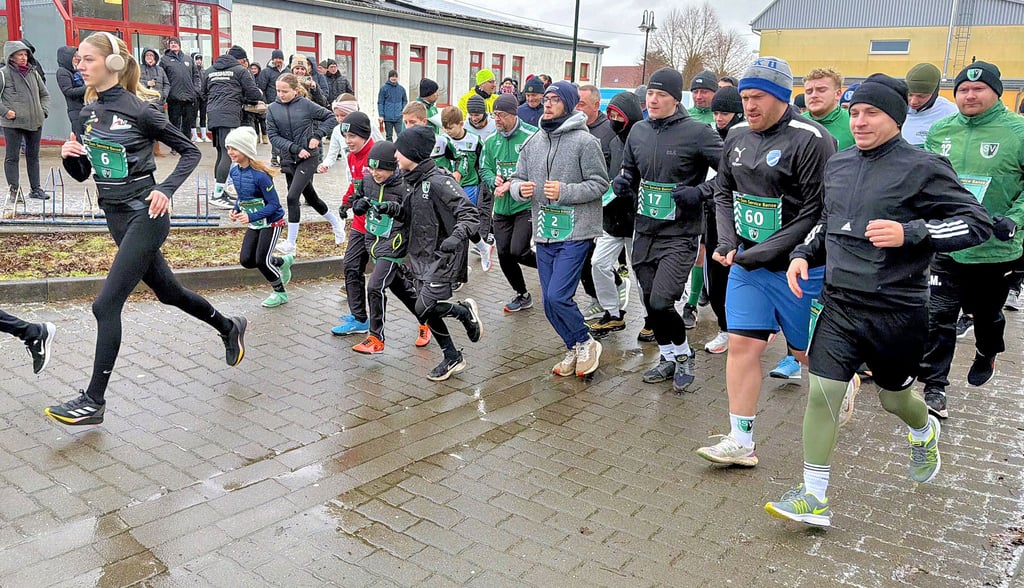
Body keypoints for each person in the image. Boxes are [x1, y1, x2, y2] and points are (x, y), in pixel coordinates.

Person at [765, 74, 992, 527]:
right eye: (855, 112)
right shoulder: (839, 164)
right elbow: (827, 221)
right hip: (839, 304)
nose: (860, 121)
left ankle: (923, 430)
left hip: (897, 311)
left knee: (894, 399)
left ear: (896, 118)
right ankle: (814, 497)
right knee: (823, 394)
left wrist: (911, 232)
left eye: (872, 113)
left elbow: (977, 223)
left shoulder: (923, 167)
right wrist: (803, 254)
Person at [50, 32, 246, 426]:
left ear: (113, 63)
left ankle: (94, 401)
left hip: (147, 215)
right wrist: (71, 157)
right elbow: (86, 172)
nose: (80, 66)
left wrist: (165, 189)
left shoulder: (142, 111)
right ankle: (229, 327)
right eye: (78, 60)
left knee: (105, 305)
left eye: (88, 59)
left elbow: (190, 151)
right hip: (115, 216)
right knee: (169, 293)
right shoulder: (87, 114)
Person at [696, 57, 844, 467]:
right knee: (742, 346)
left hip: (799, 269)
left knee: (805, 354)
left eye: (758, 97)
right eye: (745, 97)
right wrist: (729, 242)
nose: (749, 106)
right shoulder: (737, 134)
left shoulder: (813, 140)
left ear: (781, 96)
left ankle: (843, 380)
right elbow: (723, 191)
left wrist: (758, 253)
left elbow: (816, 212)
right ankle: (741, 440)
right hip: (748, 266)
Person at [918, 61, 1024, 419]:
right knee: (938, 315)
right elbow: (927, 181)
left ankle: (987, 350)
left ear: (997, 93)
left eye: (978, 89)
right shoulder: (941, 130)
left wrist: (1016, 218)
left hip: (995, 248)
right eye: (963, 89)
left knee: (987, 314)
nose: (970, 95)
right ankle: (934, 387)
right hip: (948, 242)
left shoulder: (1018, 132)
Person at [613, 68, 722, 392]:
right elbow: (629, 172)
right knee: (650, 303)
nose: (653, 100)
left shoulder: (698, 133)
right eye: (650, 94)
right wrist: (623, 183)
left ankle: (685, 354)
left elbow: (731, 173)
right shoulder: (639, 131)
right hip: (645, 230)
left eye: (661, 95)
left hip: (680, 233)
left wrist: (700, 192)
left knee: (662, 301)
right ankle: (668, 356)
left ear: (676, 99)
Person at [510, 80, 608, 378]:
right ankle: (574, 346)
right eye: (546, 99)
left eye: (555, 99)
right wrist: (519, 189)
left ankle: (586, 341)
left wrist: (565, 191)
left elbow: (600, 184)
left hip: (576, 231)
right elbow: (516, 178)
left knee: (557, 296)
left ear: (568, 103)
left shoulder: (585, 142)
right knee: (548, 303)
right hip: (545, 230)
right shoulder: (533, 142)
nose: (548, 103)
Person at [387, 125, 483, 380]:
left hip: (443, 256)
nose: (396, 155)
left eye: (400, 150)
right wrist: (389, 209)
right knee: (423, 309)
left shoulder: (440, 181)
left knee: (423, 307)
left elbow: (470, 214)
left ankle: (463, 313)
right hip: (419, 256)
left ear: (414, 153)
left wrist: (456, 237)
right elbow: (410, 216)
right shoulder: (409, 181)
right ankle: (452, 356)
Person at [348, 141, 425, 354]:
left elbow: (413, 215)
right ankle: (426, 320)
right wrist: (357, 206)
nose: (375, 173)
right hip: (374, 242)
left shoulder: (404, 185)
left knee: (374, 287)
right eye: (372, 168)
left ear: (393, 167)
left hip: (394, 245)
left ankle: (376, 338)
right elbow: (357, 200)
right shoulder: (367, 180)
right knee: (401, 289)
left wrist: (393, 208)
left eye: (380, 169)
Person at [266, 73, 346, 254]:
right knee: (312, 198)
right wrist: (294, 148)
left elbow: (330, 118)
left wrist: (317, 136)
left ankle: (291, 244)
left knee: (292, 197)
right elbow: (273, 136)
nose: (281, 94)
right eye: (278, 91)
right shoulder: (272, 109)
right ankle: (336, 223)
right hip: (289, 159)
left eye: (285, 91)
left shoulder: (306, 105)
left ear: (295, 90)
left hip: (308, 158)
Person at [586, 91, 644, 337]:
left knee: (640, 272)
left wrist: (632, 192)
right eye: (611, 115)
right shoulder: (612, 142)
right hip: (612, 218)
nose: (614, 121)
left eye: (619, 116)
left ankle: (651, 319)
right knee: (598, 263)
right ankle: (612, 313)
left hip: (637, 220)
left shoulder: (644, 141)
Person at [224, 126, 294, 308]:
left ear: (246, 150)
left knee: (262, 261)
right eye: (228, 148)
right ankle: (282, 262)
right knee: (247, 260)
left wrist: (251, 216)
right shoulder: (234, 172)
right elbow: (243, 196)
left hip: (272, 222)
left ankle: (280, 293)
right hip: (255, 222)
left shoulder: (261, 177)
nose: (230, 152)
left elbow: (274, 205)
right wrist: (235, 209)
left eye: (234, 148)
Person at [482, 93, 538, 312]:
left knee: (518, 251)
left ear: (514, 114)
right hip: (501, 207)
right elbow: (485, 168)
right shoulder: (491, 140)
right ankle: (522, 295)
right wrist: (492, 180)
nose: (497, 119)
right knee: (504, 254)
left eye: (501, 115)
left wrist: (512, 183)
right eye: (494, 114)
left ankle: (549, 267)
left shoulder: (532, 136)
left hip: (525, 205)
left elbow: (539, 169)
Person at [702, 85, 745, 355]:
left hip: (744, 222)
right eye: (716, 113)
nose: (719, 119)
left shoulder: (748, 140)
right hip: (714, 219)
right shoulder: (709, 138)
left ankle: (748, 331)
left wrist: (702, 191)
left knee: (742, 279)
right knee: (716, 280)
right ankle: (725, 329)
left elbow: (730, 181)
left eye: (725, 114)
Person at [332, 111, 376, 336]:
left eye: (352, 136)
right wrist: (345, 202)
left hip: (379, 225)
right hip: (360, 223)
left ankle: (424, 317)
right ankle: (359, 318)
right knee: (351, 265)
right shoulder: (351, 157)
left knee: (396, 278)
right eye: (345, 136)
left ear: (365, 134)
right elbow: (355, 185)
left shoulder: (376, 155)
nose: (348, 141)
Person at [575, 84, 617, 322]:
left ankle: (609, 296)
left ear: (596, 105)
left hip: (605, 207)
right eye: (575, 103)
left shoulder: (608, 131)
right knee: (583, 256)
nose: (577, 108)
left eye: (582, 104)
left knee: (595, 258)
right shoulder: (572, 128)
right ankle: (595, 298)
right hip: (577, 203)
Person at [204, 45, 263, 209]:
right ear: (242, 60)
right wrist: (251, 97)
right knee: (228, 154)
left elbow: (202, 92)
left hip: (213, 114)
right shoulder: (240, 70)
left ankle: (219, 191)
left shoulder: (209, 70)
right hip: (229, 115)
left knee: (220, 153)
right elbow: (253, 94)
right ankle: (217, 195)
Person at [441, 105, 493, 271]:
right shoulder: (443, 141)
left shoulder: (475, 140)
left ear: (461, 124)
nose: (447, 131)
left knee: (463, 222)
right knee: (452, 224)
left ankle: (460, 267)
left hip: (470, 186)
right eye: (445, 128)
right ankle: (482, 247)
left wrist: (484, 185)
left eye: (451, 128)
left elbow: (484, 163)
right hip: (448, 188)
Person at [1, 39, 50, 201]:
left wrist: (43, 112)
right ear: (11, 56)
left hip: (35, 121)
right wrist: (5, 112)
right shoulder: (3, 74)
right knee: (12, 157)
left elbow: (45, 94)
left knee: (33, 157)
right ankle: (14, 191)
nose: (23, 58)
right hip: (13, 123)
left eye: (25, 54)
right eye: (19, 55)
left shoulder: (33, 73)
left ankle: (35, 189)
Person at [901, 62, 958, 147]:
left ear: (934, 93)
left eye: (921, 96)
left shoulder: (951, 113)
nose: (913, 101)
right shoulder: (895, 107)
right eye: (910, 95)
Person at [159, 37, 200, 143]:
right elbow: (161, 78)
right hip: (174, 98)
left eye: (175, 43)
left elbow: (196, 76)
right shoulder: (164, 60)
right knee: (174, 125)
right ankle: (175, 146)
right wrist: (166, 93)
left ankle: (187, 145)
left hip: (189, 98)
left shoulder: (188, 59)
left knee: (187, 125)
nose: (173, 44)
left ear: (179, 45)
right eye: (171, 43)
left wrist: (196, 90)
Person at [802, 68, 854, 150]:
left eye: (821, 90)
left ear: (838, 94)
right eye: (809, 91)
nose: (814, 95)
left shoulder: (853, 122)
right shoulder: (796, 123)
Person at [257, 50, 287, 166]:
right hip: (272, 106)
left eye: (280, 58)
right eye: (276, 58)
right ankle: (275, 157)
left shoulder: (287, 71)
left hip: (286, 106)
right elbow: (261, 89)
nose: (278, 61)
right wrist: (266, 104)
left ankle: (284, 157)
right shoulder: (266, 72)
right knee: (275, 132)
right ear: (272, 59)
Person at [139, 47, 170, 156]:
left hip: (159, 103)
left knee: (157, 127)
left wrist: (164, 95)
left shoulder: (160, 70)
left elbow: (167, 84)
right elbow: (136, 83)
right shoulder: (139, 68)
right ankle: (147, 150)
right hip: (145, 102)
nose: (149, 57)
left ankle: (157, 149)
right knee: (146, 127)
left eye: (151, 55)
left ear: (155, 57)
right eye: (147, 55)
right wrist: (147, 83)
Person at [56, 46, 86, 140]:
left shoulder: (77, 71)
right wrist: (88, 88)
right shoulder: (62, 72)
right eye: (74, 56)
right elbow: (68, 91)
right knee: (79, 137)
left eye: (77, 56)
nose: (77, 58)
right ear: (67, 58)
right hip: (76, 110)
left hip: (84, 108)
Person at [377, 70, 407, 141]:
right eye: (392, 76)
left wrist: (403, 110)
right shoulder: (383, 89)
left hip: (399, 116)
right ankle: (389, 148)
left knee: (400, 135)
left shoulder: (401, 89)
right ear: (389, 77)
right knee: (389, 136)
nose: (394, 78)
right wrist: (381, 115)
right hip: (387, 117)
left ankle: (400, 147)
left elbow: (405, 100)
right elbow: (380, 103)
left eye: (395, 76)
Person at [247, 62, 268, 144]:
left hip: (261, 100)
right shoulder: (248, 77)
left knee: (262, 120)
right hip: (253, 101)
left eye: (255, 69)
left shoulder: (261, 77)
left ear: (258, 69)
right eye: (252, 69)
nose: (253, 70)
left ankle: (265, 136)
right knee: (255, 120)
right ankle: (257, 137)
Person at [193, 53, 210, 142]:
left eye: (200, 59)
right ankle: (194, 135)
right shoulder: (192, 71)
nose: (199, 61)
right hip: (195, 96)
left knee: (203, 115)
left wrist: (205, 94)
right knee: (194, 115)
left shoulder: (204, 71)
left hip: (203, 97)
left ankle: (204, 135)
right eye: (197, 59)